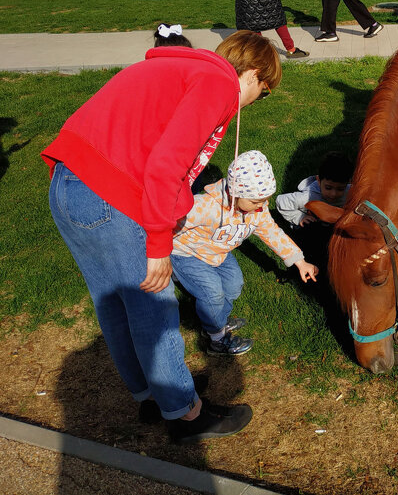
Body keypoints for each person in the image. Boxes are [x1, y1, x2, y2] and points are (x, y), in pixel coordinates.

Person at [43, 30, 281, 442]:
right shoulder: (218, 84)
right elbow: (166, 165)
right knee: (155, 302)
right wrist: (158, 244)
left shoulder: (179, 69)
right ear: (255, 74)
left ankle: (153, 394)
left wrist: (171, 213)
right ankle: (185, 415)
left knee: (115, 301)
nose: (256, 101)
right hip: (106, 196)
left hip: (69, 186)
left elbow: (153, 150)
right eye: (263, 91)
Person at [172, 150, 319, 356]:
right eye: (255, 201)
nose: (260, 206)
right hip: (187, 253)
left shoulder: (257, 210)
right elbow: (172, 220)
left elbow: (272, 233)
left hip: (219, 252)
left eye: (264, 200)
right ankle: (217, 339)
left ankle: (217, 321)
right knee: (212, 292)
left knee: (234, 285)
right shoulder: (205, 206)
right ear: (234, 193)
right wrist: (159, 251)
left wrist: (299, 262)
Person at [276, 152, 353, 227]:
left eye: (340, 189)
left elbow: (364, 200)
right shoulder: (308, 197)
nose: (333, 194)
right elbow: (281, 201)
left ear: (348, 182)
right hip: (309, 221)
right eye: (328, 188)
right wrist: (300, 217)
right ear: (319, 181)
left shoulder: (351, 192)